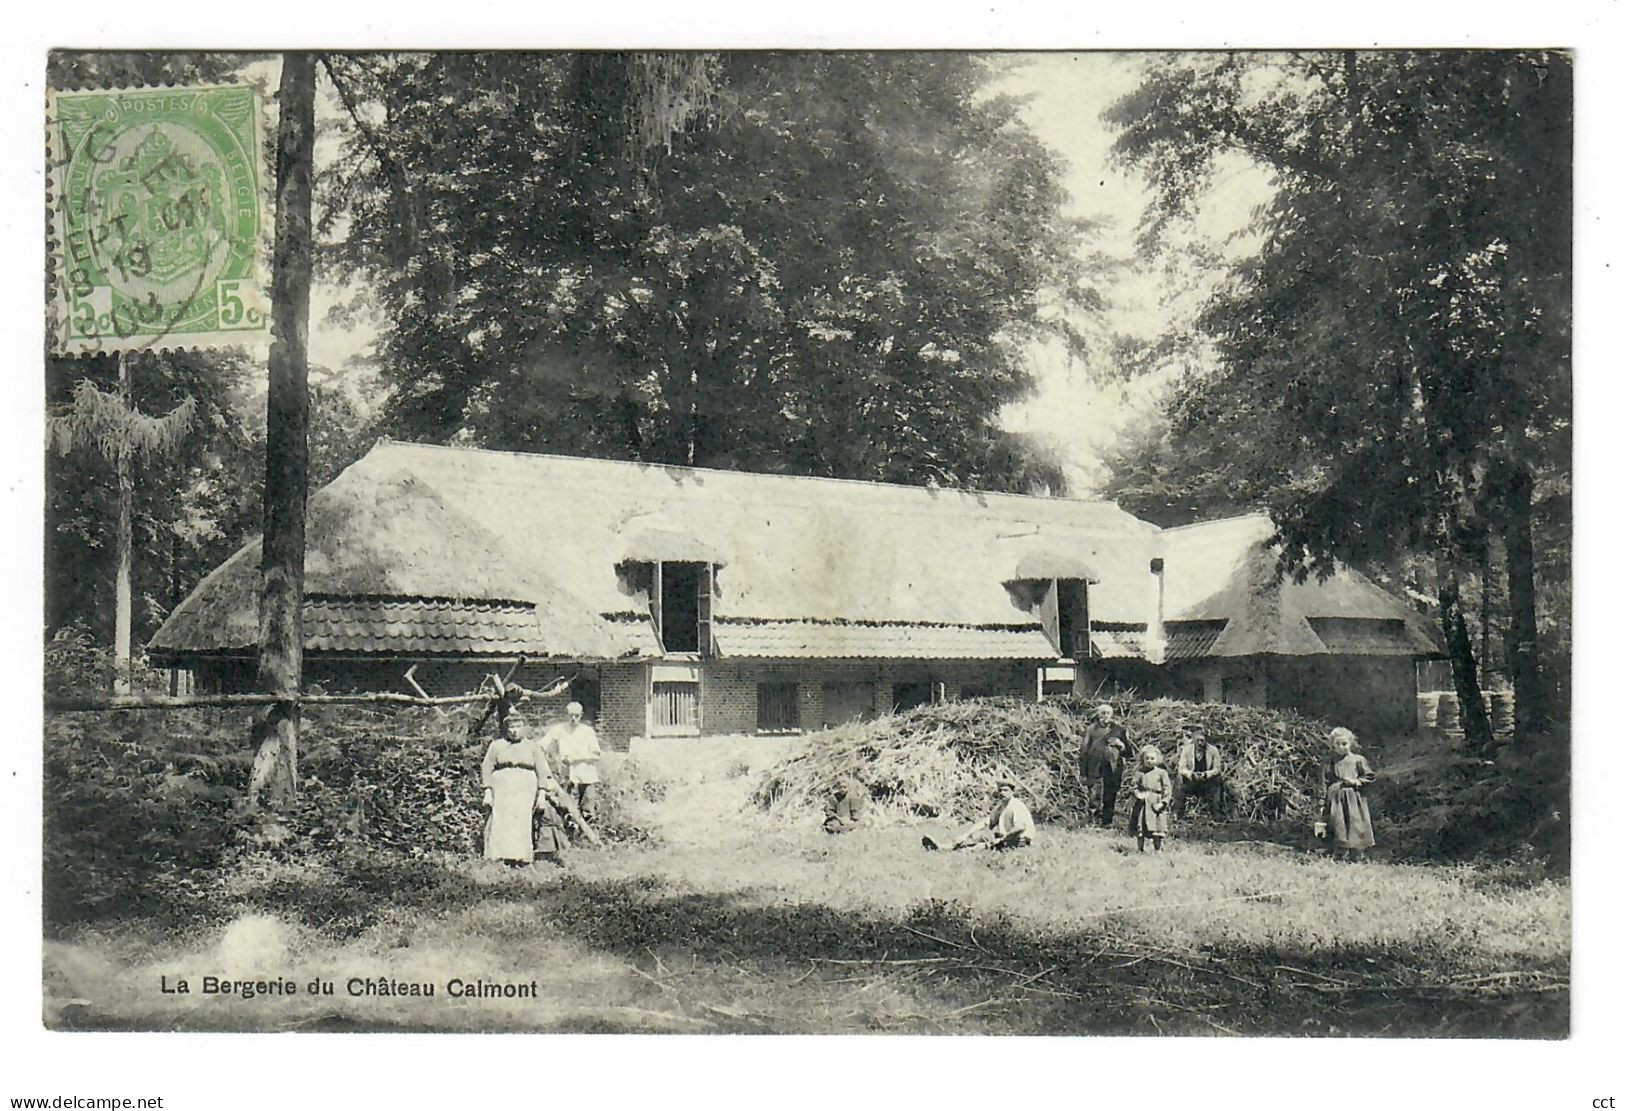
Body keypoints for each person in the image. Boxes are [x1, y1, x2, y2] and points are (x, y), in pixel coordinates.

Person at [479, 715, 565, 866]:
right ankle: (500, 856)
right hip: (502, 787)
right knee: (502, 820)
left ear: (524, 728)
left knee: (521, 820)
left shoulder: (532, 747)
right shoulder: (497, 745)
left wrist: (542, 794)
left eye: (518, 727)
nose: (514, 731)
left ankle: (521, 857)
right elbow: (487, 767)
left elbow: (541, 770)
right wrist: (487, 791)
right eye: (511, 727)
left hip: (525, 788)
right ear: (506, 729)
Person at [922, 778, 1035, 851]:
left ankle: (949, 849)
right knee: (977, 837)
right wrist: (966, 834)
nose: (1002, 793)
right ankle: (942, 846)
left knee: (982, 846)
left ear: (1012, 792)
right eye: (1000, 790)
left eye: (1005, 790)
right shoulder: (1001, 807)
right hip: (1006, 839)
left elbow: (1020, 827)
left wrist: (1002, 839)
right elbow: (986, 822)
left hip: (1019, 841)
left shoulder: (1016, 805)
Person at [1322, 726, 1376, 858]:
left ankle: (1355, 854)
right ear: (1332, 745)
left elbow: (1369, 776)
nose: (1341, 747)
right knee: (1338, 822)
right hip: (1335, 798)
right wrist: (1321, 803)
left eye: (1344, 744)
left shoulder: (1358, 760)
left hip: (1353, 797)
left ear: (1350, 743)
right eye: (1337, 744)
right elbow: (1324, 783)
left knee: (1355, 823)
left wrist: (1356, 781)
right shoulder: (1329, 762)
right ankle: (1339, 853)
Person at [543, 701, 602, 823]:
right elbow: (544, 742)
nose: (573, 719)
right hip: (568, 777)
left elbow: (596, 755)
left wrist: (577, 758)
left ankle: (587, 839)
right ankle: (571, 838)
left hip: (587, 776)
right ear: (566, 715)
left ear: (581, 715)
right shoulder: (559, 729)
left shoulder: (587, 731)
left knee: (587, 810)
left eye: (576, 715)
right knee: (569, 810)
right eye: (570, 715)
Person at [1079, 702, 1128, 827]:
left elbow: (1129, 752)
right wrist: (1083, 771)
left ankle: (1107, 822)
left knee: (1110, 794)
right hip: (1095, 766)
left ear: (1112, 715)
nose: (1105, 716)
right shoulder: (1091, 730)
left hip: (1112, 767)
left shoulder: (1119, 730)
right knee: (1094, 794)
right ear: (1098, 714)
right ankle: (1093, 821)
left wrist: (1120, 745)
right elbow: (1084, 750)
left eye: (1108, 713)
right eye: (1102, 713)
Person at [1128, 744, 1172, 852]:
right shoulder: (1139, 773)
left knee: (1157, 827)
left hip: (1155, 802)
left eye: (1152, 758)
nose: (1149, 761)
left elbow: (1167, 789)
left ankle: (1157, 849)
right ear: (1142, 759)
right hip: (1142, 803)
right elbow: (1132, 786)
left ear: (1157, 759)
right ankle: (1140, 849)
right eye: (1147, 758)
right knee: (1140, 827)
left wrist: (1163, 802)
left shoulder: (1162, 773)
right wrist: (1137, 793)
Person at [1174, 730, 1226, 819]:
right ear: (1194, 741)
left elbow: (1218, 769)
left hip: (1207, 783)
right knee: (1179, 779)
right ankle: (1178, 812)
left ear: (1206, 741)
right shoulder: (1187, 750)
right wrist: (1191, 775)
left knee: (1218, 779)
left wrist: (1206, 774)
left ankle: (1216, 812)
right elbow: (1181, 768)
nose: (1200, 743)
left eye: (1202, 741)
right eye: (1197, 741)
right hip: (1191, 782)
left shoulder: (1213, 750)